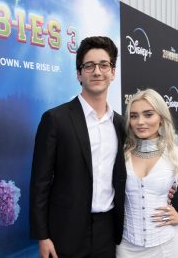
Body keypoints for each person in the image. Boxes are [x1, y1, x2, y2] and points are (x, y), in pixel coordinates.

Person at [30, 36, 127, 258]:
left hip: (109, 229)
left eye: (104, 65)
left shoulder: (121, 124)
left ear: (113, 72)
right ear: (78, 74)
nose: (97, 71)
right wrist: (42, 236)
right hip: (65, 229)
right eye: (89, 65)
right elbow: (40, 182)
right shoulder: (55, 119)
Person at [116, 88, 178, 257]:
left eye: (148, 114)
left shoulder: (174, 155)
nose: (140, 122)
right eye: (134, 116)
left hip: (166, 246)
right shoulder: (122, 155)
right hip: (126, 247)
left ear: (161, 118)